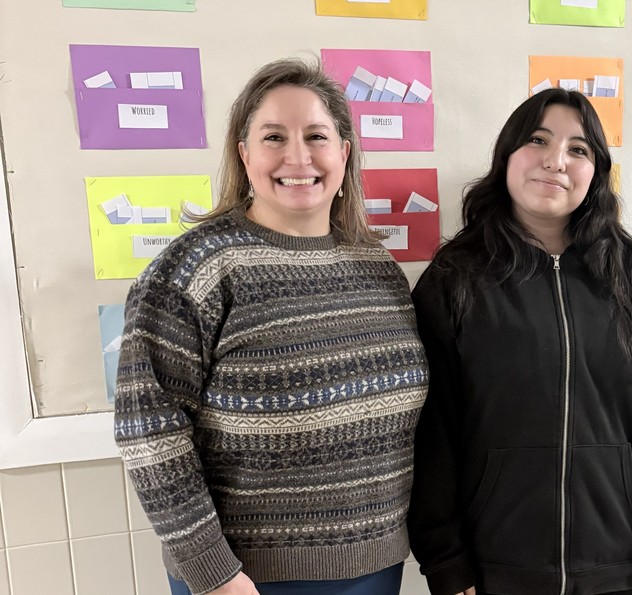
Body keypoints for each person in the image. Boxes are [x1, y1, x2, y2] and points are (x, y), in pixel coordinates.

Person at [113, 58, 428, 595]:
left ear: (345, 152)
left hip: (376, 569)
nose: (298, 157)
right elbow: (149, 431)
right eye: (274, 137)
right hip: (246, 580)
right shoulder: (194, 269)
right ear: (245, 154)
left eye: (317, 136)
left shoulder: (379, 269)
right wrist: (214, 574)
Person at [407, 88, 632, 595]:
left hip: (617, 565)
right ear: (507, 157)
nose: (555, 161)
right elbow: (430, 430)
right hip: (493, 570)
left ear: (596, 174)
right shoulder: (454, 278)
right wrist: (445, 556)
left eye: (578, 149)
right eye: (537, 140)